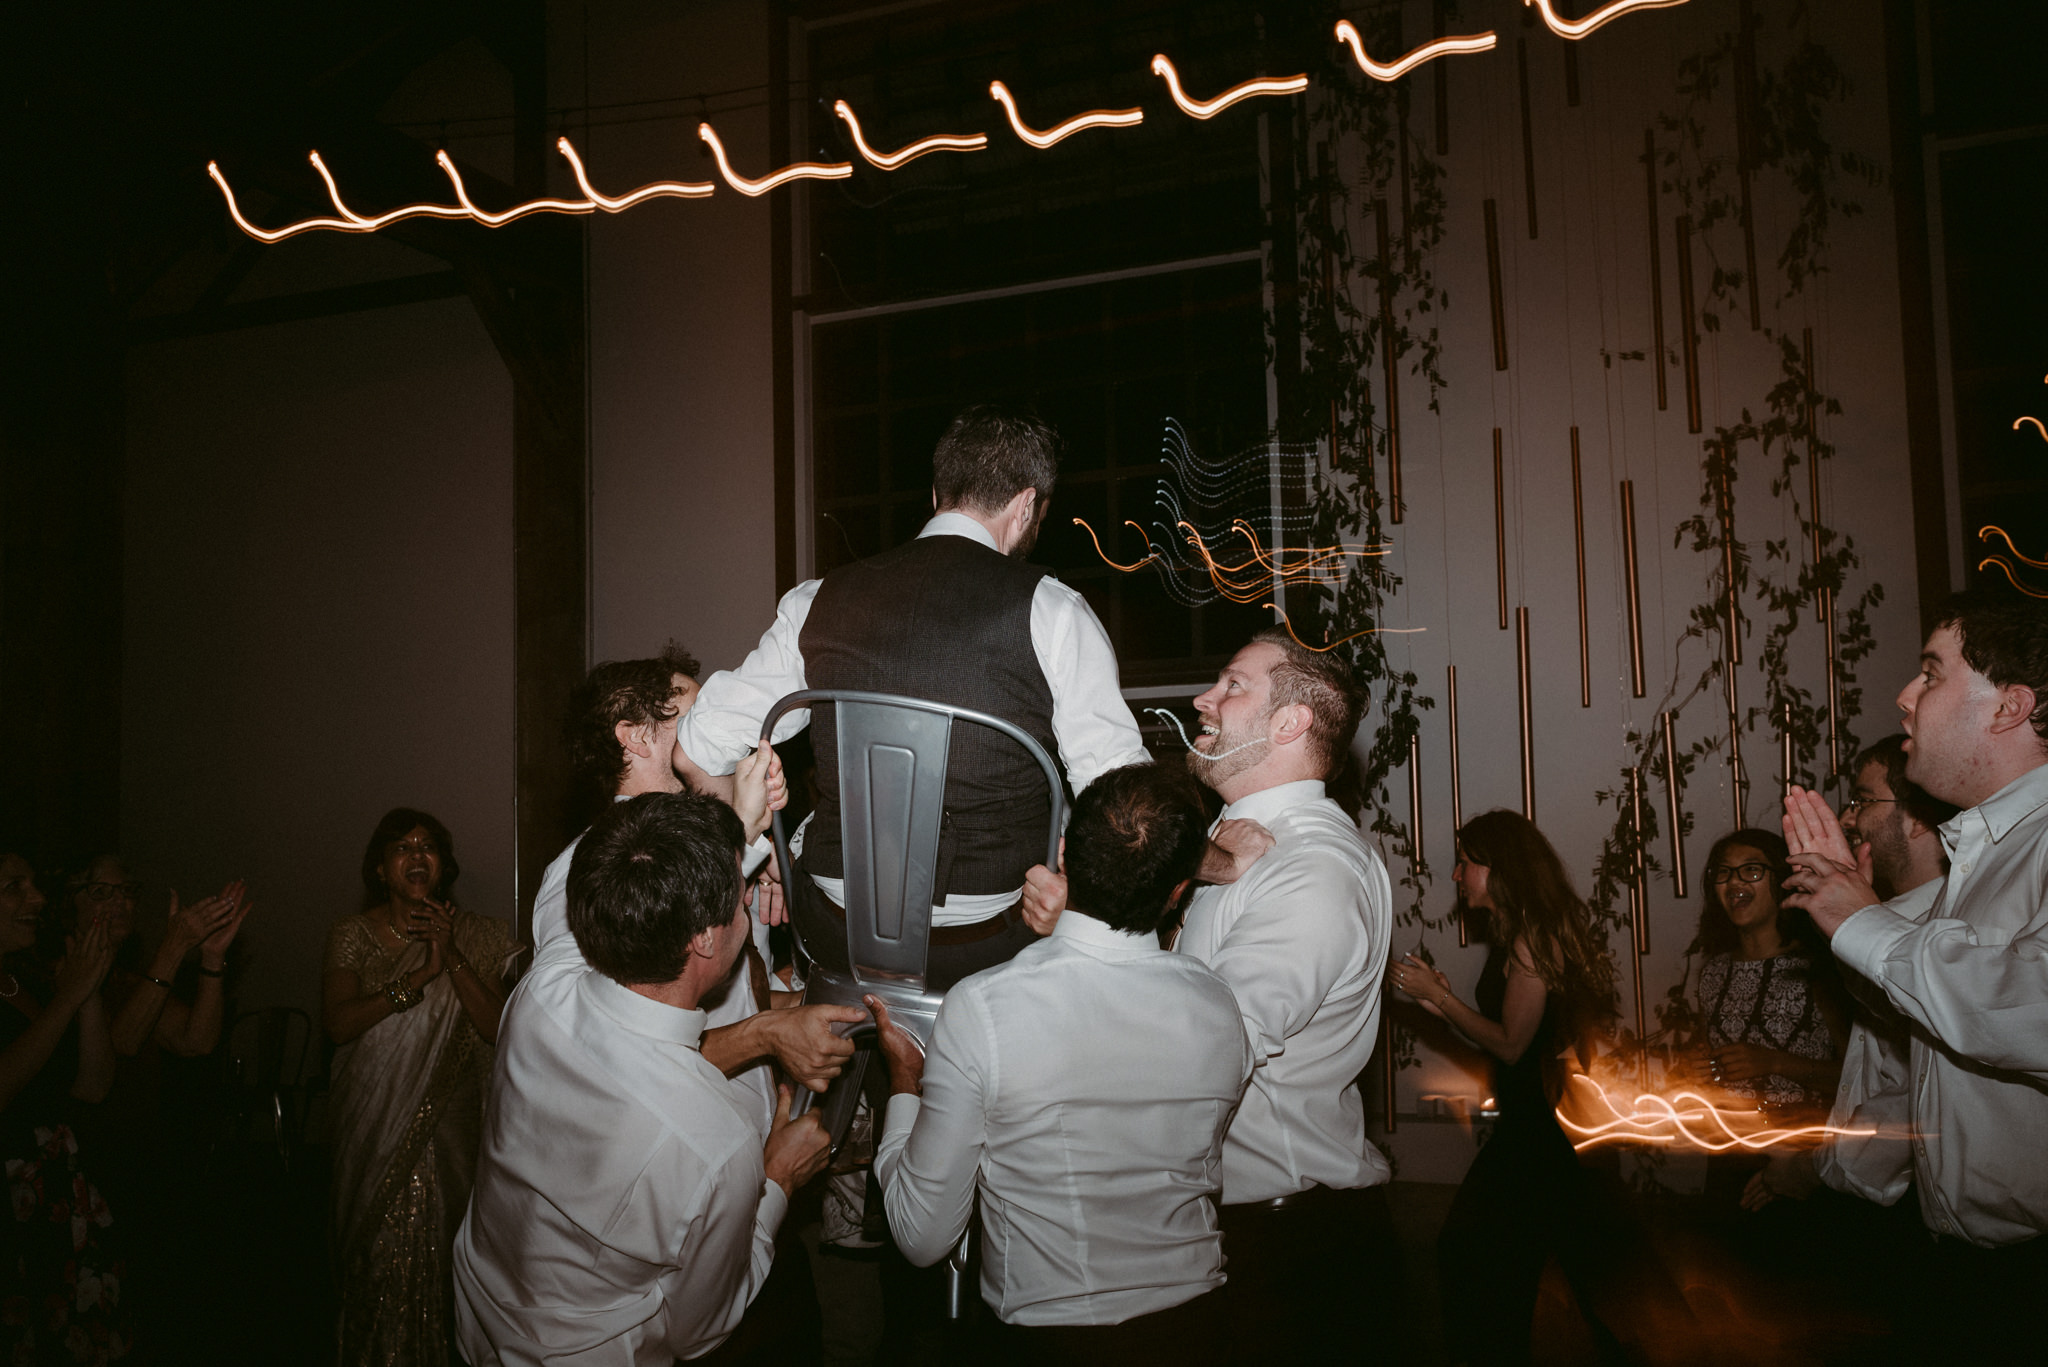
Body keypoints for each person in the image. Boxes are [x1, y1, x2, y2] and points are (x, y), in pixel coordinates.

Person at [674, 404, 1159, 987]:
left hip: (830, 925)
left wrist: (754, 839)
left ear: (936, 494)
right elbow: (1126, 806)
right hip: (985, 938)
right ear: (1028, 505)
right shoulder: (1052, 610)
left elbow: (694, 754)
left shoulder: (815, 601)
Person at [1030, 629, 1396, 1360]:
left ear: (1290, 723)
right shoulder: (1231, 844)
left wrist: (1087, 922)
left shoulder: (1313, 871)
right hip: (1237, 1233)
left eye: (1233, 685)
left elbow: (1201, 1050)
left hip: (1288, 1252)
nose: (1204, 697)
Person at [527, 645, 854, 1361]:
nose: (723, 724)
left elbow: (738, 979)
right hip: (665, 1242)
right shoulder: (591, 872)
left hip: (743, 1195)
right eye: (698, 711)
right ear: (637, 736)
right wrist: (770, 1037)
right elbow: (610, 1053)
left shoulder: (699, 854)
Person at [866, 763, 1253, 1365]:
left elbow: (920, 1237)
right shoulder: (1219, 1004)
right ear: (1179, 890)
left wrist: (904, 1086)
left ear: (1064, 853)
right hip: (1203, 1327)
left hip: (1052, 1343)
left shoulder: (987, 1007)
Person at [452, 792, 832, 1364]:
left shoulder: (542, 987)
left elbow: (600, 864)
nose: (751, 896)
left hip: (478, 1318)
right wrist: (778, 1176)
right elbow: (696, 1331)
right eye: (742, 894)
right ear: (704, 937)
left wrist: (741, 837)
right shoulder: (716, 1144)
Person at [1782, 591, 2048, 1361]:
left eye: (1932, 672)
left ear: (2009, 707)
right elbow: (1921, 1013)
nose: (1905, 694)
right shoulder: (1982, 849)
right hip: (1960, 1269)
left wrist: (1863, 921)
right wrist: (1848, 912)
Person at [1392, 810, 1622, 1366]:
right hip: (1536, 1136)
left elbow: (1514, 1045)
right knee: (1530, 1273)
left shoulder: (1530, 941)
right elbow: (1513, 1040)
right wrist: (1444, 1004)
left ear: (1502, 870)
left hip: (1538, 1141)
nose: (1456, 876)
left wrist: (1443, 1000)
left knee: (1475, 1258)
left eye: (1467, 863)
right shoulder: (1520, 936)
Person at [322, 808, 516, 1366]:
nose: (416, 855)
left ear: (443, 865)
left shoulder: (476, 937)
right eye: (401, 847)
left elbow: (497, 1030)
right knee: (377, 1267)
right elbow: (338, 1023)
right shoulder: (352, 935)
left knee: (450, 1265)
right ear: (381, 869)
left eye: (427, 845)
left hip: (455, 1129)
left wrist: (449, 956)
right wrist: (418, 979)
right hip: (371, 1129)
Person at [0, 851, 124, 1364]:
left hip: (55, 1191)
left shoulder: (21, 978)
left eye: (34, 884)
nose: (37, 898)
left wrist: (87, 990)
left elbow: (93, 1085)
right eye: (14, 886)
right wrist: (68, 999)